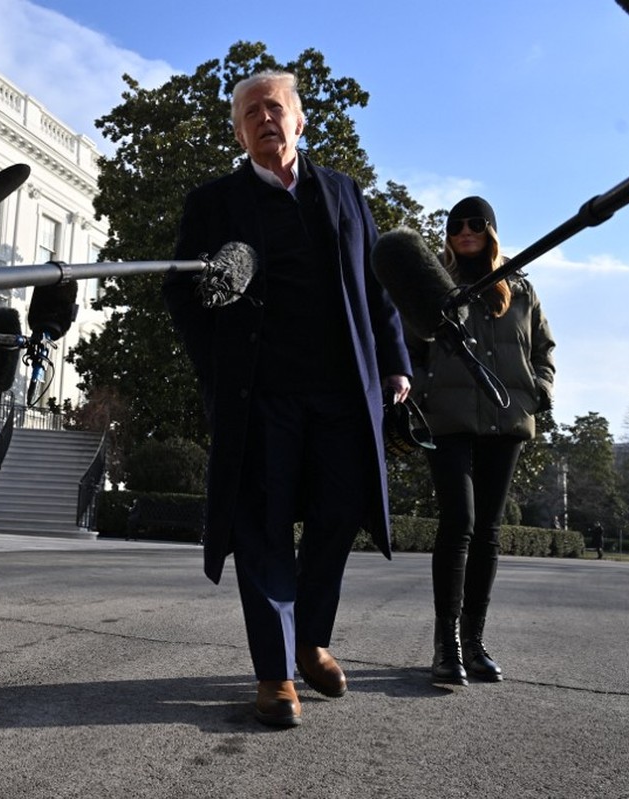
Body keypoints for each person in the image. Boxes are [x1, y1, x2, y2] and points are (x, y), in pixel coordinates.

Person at [163, 70, 411, 727]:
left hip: (342, 394)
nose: (264, 119)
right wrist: (215, 369)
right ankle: (275, 673)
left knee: (341, 511)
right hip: (261, 397)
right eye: (250, 113)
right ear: (239, 132)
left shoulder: (345, 194)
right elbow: (181, 294)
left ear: (300, 120)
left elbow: (378, 286)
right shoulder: (214, 203)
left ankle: (310, 638)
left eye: (275, 108)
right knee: (262, 527)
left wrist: (396, 366)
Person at [406, 196, 555, 685]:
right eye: (455, 225)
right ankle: (444, 644)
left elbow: (543, 346)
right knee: (459, 521)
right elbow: (410, 347)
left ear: (491, 230)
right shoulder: (436, 288)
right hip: (448, 419)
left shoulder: (521, 289)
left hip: (506, 418)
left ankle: (474, 641)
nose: (464, 231)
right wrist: (420, 392)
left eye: (475, 224)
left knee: (488, 529)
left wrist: (541, 389)